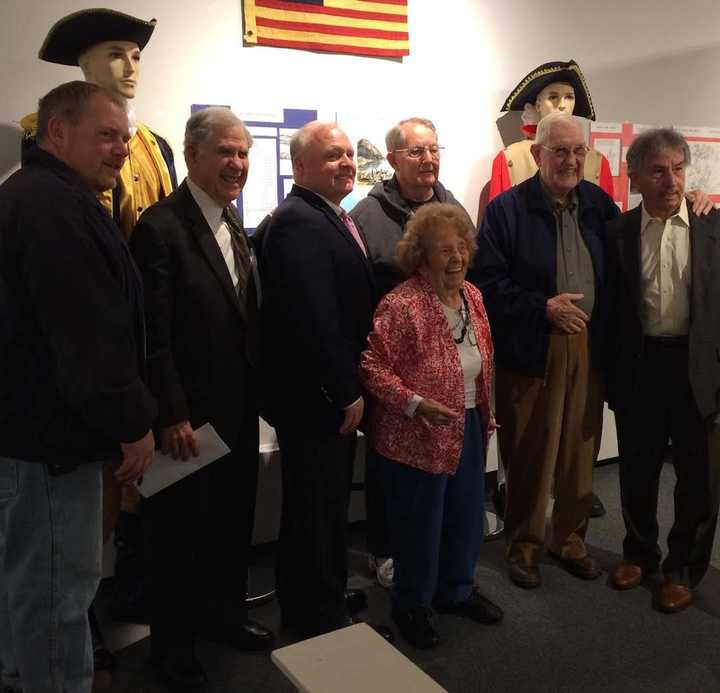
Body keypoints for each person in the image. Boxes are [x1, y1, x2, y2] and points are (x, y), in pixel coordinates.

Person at [0, 81, 156, 693]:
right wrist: (132, 422)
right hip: (52, 447)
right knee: (57, 596)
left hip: (38, 439)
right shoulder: (51, 207)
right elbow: (87, 336)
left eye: (125, 136)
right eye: (106, 135)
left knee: (29, 589)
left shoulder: (45, 196)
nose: (121, 149)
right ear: (56, 133)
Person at [130, 107, 272, 690]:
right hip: (186, 422)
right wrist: (171, 414)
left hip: (238, 414)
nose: (237, 164)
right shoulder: (160, 227)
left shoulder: (235, 222)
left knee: (230, 528)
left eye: (243, 153)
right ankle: (172, 650)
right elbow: (151, 334)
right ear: (192, 155)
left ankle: (225, 617)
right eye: (225, 153)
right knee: (178, 541)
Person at [475, 113, 619, 589]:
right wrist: (543, 308)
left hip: (589, 349)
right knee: (530, 452)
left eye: (579, 151)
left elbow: (619, 276)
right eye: (560, 151)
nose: (571, 160)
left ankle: (570, 539)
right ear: (537, 155)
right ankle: (525, 545)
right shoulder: (506, 211)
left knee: (581, 450)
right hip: (533, 349)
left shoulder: (600, 205)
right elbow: (488, 285)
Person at [260, 121, 386, 640]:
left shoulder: (326, 215)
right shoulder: (297, 222)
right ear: (301, 167)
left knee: (325, 504)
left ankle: (322, 594)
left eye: (348, 155)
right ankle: (319, 616)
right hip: (317, 398)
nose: (346, 163)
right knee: (315, 509)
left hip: (324, 393)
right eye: (331, 156)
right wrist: (345, 389)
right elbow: (314, 318)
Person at [359, 202, 502, 649]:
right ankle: (412, 604)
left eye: (462, 247)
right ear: (421, 255)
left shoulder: (473, 296)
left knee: (464, 517)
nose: (457, 257)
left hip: (469, 421)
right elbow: (371, 366)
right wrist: (415, 404)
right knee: (420, 525)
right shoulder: (401, 305)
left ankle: (456, 590)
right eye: (444, 250)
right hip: (415, 433)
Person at [350, 116, 474, 587]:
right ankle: (385, 551)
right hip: (395, 362)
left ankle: (436, 556)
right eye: (416, 152)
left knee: (444, 469)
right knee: (390, 467)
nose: (428, 159)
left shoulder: (452, 207)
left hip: (444, 359)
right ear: (394, 159)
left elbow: (466, 273)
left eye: (433, 149)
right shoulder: (367, 213)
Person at [605, 128, 720, 613]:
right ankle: (640, 553)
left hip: (698, 367)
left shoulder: (712, 226)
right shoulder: (617, 232)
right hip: (641, 365)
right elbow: (611, 310)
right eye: (657, 170)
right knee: (637, 467)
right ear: (634, 177)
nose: (670, 180)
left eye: (677, 168)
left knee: (699, 476)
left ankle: (682, 568)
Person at [22, 8, 177, 239]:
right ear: (86, 65)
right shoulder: (53, 136)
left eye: (136, 57)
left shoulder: (158, 147)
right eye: (116, 55)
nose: (130, 67)